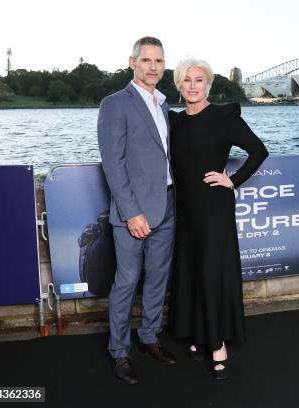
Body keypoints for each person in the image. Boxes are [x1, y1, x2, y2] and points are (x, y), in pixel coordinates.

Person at [167, 57, 268, 379]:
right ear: (179, 85)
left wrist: (232, 180)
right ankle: (197, 333)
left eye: (199, 80)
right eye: (187, 80)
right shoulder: (175, 121)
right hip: (184, 208)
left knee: (211, 272)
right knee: (191, 270)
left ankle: (217, 343)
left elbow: (258, 151)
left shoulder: (223, 116)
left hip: (213, 207)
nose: (193, 85)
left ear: (208, 84)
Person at [97, 36, 177, 385]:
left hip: (168, 206)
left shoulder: (163, 104)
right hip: (134, 212)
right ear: (133, 63)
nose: (153, 66)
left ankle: (148, 338)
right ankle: (119, 352)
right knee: (127, 281)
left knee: (158, 278)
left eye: (158, 61)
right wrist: (131, 212)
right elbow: (113, 164)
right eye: (146, 60)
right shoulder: (115, 103)